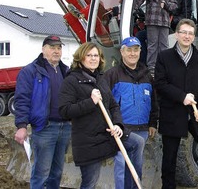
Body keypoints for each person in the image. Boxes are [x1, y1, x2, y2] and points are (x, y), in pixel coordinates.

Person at [58, 42, 145, 189]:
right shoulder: (71, 81)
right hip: (89, 139)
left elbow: (113, 105)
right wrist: (91, 101)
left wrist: (118, 124)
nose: (93, 59)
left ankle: (133, 186)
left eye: (96, 55)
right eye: (89, 55)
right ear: (81, 58)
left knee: (137, 142)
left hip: (108, 133)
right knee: (90, 181)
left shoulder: (101, 78)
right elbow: (65, 111)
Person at [154, 19, 198, 189]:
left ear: (194, 37)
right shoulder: (164, 57)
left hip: (196, 114)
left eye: (190, 33)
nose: (187, 36)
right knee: (170, 157)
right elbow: (160, 84)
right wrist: (181, 96)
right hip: (172, 113)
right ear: (176, 34)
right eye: (183, 32)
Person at [13, 35, 70, 189]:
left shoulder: (65, 71)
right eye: (52, 47)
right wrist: (22, 125)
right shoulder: (30, 71)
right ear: (43, 49)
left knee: (57, 172)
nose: (56, 51)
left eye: (59, 48)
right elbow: (22, 99)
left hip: (65, 127)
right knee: (41, 173)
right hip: (45, 128)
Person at [104, 37, 159, 189]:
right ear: (122, 52)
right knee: (121, 165)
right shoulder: (112, 75)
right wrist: (112, 125)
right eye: (129, 50)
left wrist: (153, 123)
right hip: (121, 130)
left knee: (136, 167)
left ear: (140, 52)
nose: (132, 53)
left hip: (142, 130)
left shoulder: (147, 76)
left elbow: (154, 101)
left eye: (136, 50)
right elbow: (106, 103)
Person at [133, 0, 178, 75]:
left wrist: (166, 5)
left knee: (164, 45)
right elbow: (139, 0)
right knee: (152, 45)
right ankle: (151, 67)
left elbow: (174, 5)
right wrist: (132, 10)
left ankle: (164, 65)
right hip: (151, 20)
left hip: (164, 21)